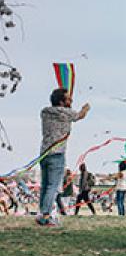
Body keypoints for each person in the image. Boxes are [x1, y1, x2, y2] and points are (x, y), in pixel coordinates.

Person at [38, 88, 90, 226]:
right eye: (68, 99)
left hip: (44, 154)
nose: (71, 100)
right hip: (57, 154)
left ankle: (41, 212)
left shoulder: (45, 112)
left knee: (45, 185)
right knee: (53, 186)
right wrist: (86, 108)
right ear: (61, 101)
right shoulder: (65, 113)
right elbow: (80, 115)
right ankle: (46, 215)